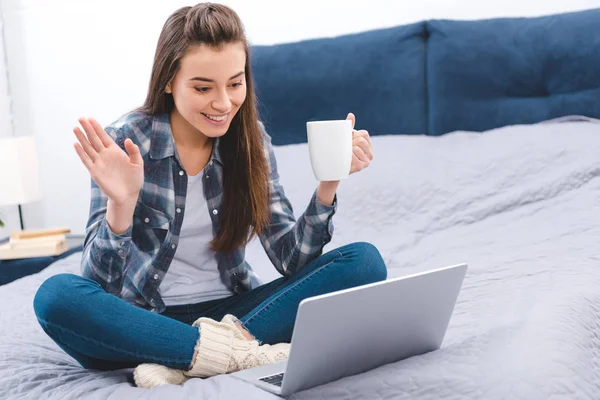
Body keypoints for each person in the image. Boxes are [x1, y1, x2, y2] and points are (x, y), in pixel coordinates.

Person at [33, 2, 387, 389]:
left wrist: (329, 182)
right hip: (144, 321)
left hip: (235, 313)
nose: (223, 103)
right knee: (57, 296)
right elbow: (101, 288)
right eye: (203, 87)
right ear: (169, 80)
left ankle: (185, 360)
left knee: (364, 262)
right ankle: (235, 355)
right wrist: (121, 205)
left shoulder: (252, 141)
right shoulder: (126, 142)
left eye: (235, 84)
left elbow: (291, 259)